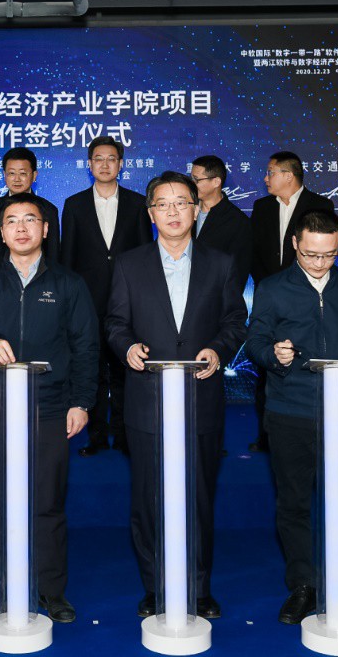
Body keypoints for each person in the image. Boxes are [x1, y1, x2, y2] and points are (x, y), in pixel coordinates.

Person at [105, 171, 248, 621]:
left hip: (200, 397)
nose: (172, 212)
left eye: (182, 203)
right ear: (150, 214)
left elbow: (235, 321)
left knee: (199, 496)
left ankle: (198, 588)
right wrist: (126, 347)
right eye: (163, 204)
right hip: (147, 399)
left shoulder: (221, 263)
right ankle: (156, 585)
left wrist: (219, 349)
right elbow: (115, 323)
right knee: (149, 497)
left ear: (196, 209)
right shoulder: (129, 264)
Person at [0, 194, 98, 624]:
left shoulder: (69, 284)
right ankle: (1, 589)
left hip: (50, 407)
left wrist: (81, 402)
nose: (21, 228)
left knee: (47, 502)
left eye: (30, 220)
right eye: (12, 221)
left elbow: (86, 347)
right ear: (0, 233)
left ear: (45, 229)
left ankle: (51, 590)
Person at [245, 209, 338, 628]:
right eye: (311, 255)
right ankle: (303, 585)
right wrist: (274, 354)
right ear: (295, 245)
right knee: (293, 503)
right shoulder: (272, 288)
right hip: (289, 411)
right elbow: (255, 341)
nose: (320, 263)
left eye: (329, 255)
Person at [60, 136, 152, 456]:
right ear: (89, 164)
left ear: (120, 164)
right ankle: (96, 437)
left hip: (128, 304)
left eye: (111, 158)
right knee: (93, 370)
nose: (104, 164)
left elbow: (145, 254)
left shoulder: (137, 203)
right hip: (88, 303)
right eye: (98, 159)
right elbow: (68, 259)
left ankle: (126, 437)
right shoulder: (74, 204)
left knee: (127, 372)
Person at [248, 151, 335, 453]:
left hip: (306, 298)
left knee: (305, 359)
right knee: (267, 362)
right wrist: (269, 287)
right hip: (271, 297)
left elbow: (323, 252)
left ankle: (314, 430)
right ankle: (267, 435)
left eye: (270, 172)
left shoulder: (320, 205)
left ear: (288, 175)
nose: (265, 178)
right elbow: (253, 252)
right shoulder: (262, 207)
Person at [0, 147, 60, 275]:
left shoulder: (49, 209)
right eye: (11, 173)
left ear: (34, 175)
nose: (17, 179)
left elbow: (53, 254)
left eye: (22, 173)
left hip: (38, 280)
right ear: (4, 175)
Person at [191, 153, 253, 294]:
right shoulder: (185, 211)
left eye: (196, 180)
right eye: (191, 179)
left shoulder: (237, 221)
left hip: (215, 298)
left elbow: (238, 273)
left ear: (216, 182)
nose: (191, 184)